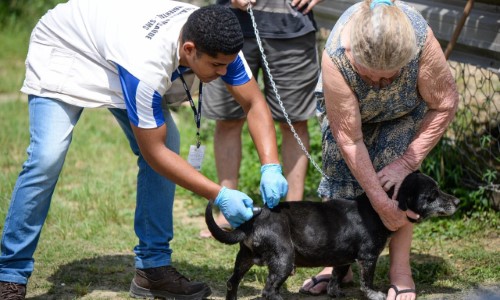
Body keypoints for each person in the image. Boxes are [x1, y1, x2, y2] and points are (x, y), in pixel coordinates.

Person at [0, 1, 288, 299]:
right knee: (47, 158)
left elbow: (253, 103)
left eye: (227, 64)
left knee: (171, 144)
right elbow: (154, 152)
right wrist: (219, 195)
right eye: (216, 66)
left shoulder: (220, 39)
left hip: (117, 44)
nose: (225, 72)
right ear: (189, 50)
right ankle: (11, 273)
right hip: (67, 45)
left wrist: (270, 165)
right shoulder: (145, 65)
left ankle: (153, 269)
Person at [299, 0, 458, 299]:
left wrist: (406, 162)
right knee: (338, 172)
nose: (379, 83)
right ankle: (337, 264)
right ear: (352, 55)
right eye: (369, 74)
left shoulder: (421, 43)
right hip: (348, 114)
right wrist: (377, 201)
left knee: (398, 183)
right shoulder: (337, 55)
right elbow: (349, 140)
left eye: (390, 75)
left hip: (403, 112)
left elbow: (445, 104)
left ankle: (400, 269)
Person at [200, 0, 322, 237]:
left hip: (292, 28)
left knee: (294, 122)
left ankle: (293, 214)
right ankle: (227, 207)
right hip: (230, 26)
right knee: (228, 119)